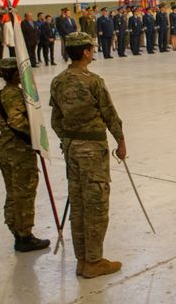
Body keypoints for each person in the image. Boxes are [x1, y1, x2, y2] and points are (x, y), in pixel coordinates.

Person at [50, 32, 126, 278]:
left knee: (79, 205)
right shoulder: (93, 81)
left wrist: (68, 140)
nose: (93, 52)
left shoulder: (58, 81)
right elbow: (109, 115)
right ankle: (94, 261)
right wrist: (121, 141)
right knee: (95, 206)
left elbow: (56, 120)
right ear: (85, 52)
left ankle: (82, 259)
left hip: (71, 149)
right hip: (92, 151)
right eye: (91, 49)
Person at [0, 58, 50, 252]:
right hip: (19, 153)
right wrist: (35, 139)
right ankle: (24, 235)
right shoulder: (16, 95)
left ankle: (15, 227)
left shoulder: (1, 94)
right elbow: (17, 122)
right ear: (17, 74)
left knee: (13, 192)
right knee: (24, 193)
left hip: (6, 150)